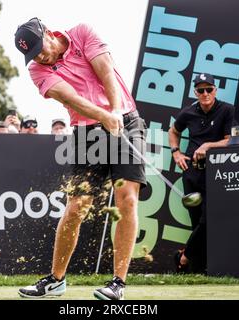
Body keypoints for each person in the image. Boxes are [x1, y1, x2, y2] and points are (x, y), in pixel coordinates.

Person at [14, 18, 147, 300]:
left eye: (40, 48)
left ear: (49, 33)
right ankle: (56, 280)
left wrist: (114, 111)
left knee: (127, 198)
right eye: (32, 54)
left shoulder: (82, 33)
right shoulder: (38, 70)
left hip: (126, 121)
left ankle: (117, 284)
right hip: (88, 134)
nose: (40, 56)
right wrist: (103, 117)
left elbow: (106, 71)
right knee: (76, 207)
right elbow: (70, 98)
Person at [168, 73, 235, 274]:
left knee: (209, 220)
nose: (205, 93)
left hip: (215, 174)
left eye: (209, 89)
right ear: (195, 92)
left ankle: (184, 258)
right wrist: (176, 152)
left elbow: (230, 140)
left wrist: (208, 146)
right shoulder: (188, 112)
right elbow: (173, 131)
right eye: (200, 90)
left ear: (215, 90)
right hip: (191, 174)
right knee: (196, 222)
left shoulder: (226, 110)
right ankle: (202, 267)